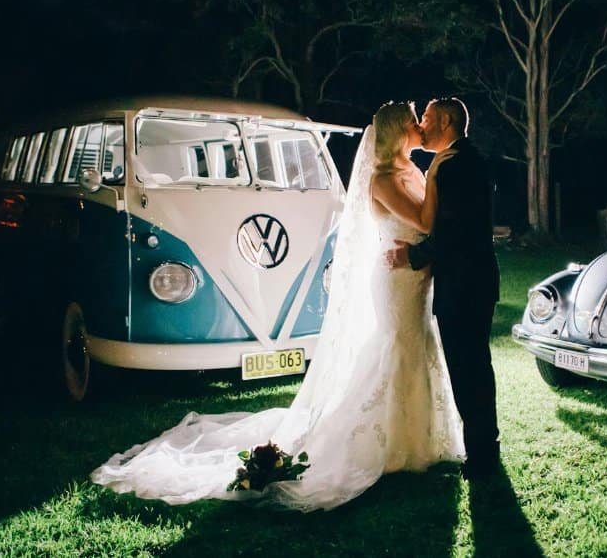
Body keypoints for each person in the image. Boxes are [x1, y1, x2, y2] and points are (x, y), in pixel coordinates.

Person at [90, 101, 464, 511]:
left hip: (415, 277)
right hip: (396, 280)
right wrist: (441, 173)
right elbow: (427, 222)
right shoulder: (384, 178)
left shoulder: (409, 169)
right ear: (398, 131)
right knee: (397, 346)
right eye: (415, 121)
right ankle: (393, 443)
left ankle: (420, 437)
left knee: (414, 344)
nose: (420, 126)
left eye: (422, 120)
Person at [385, 97, 502, 480]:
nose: (422, 124)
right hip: (467, 282)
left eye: (428, 118)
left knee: (470, 371)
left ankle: (483, 455)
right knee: (472, 369)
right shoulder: (454, 161)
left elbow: (454, 232)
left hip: (465, 284)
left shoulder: (456, 165)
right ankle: (484, 449)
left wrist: (414, 256)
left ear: (447, 120)